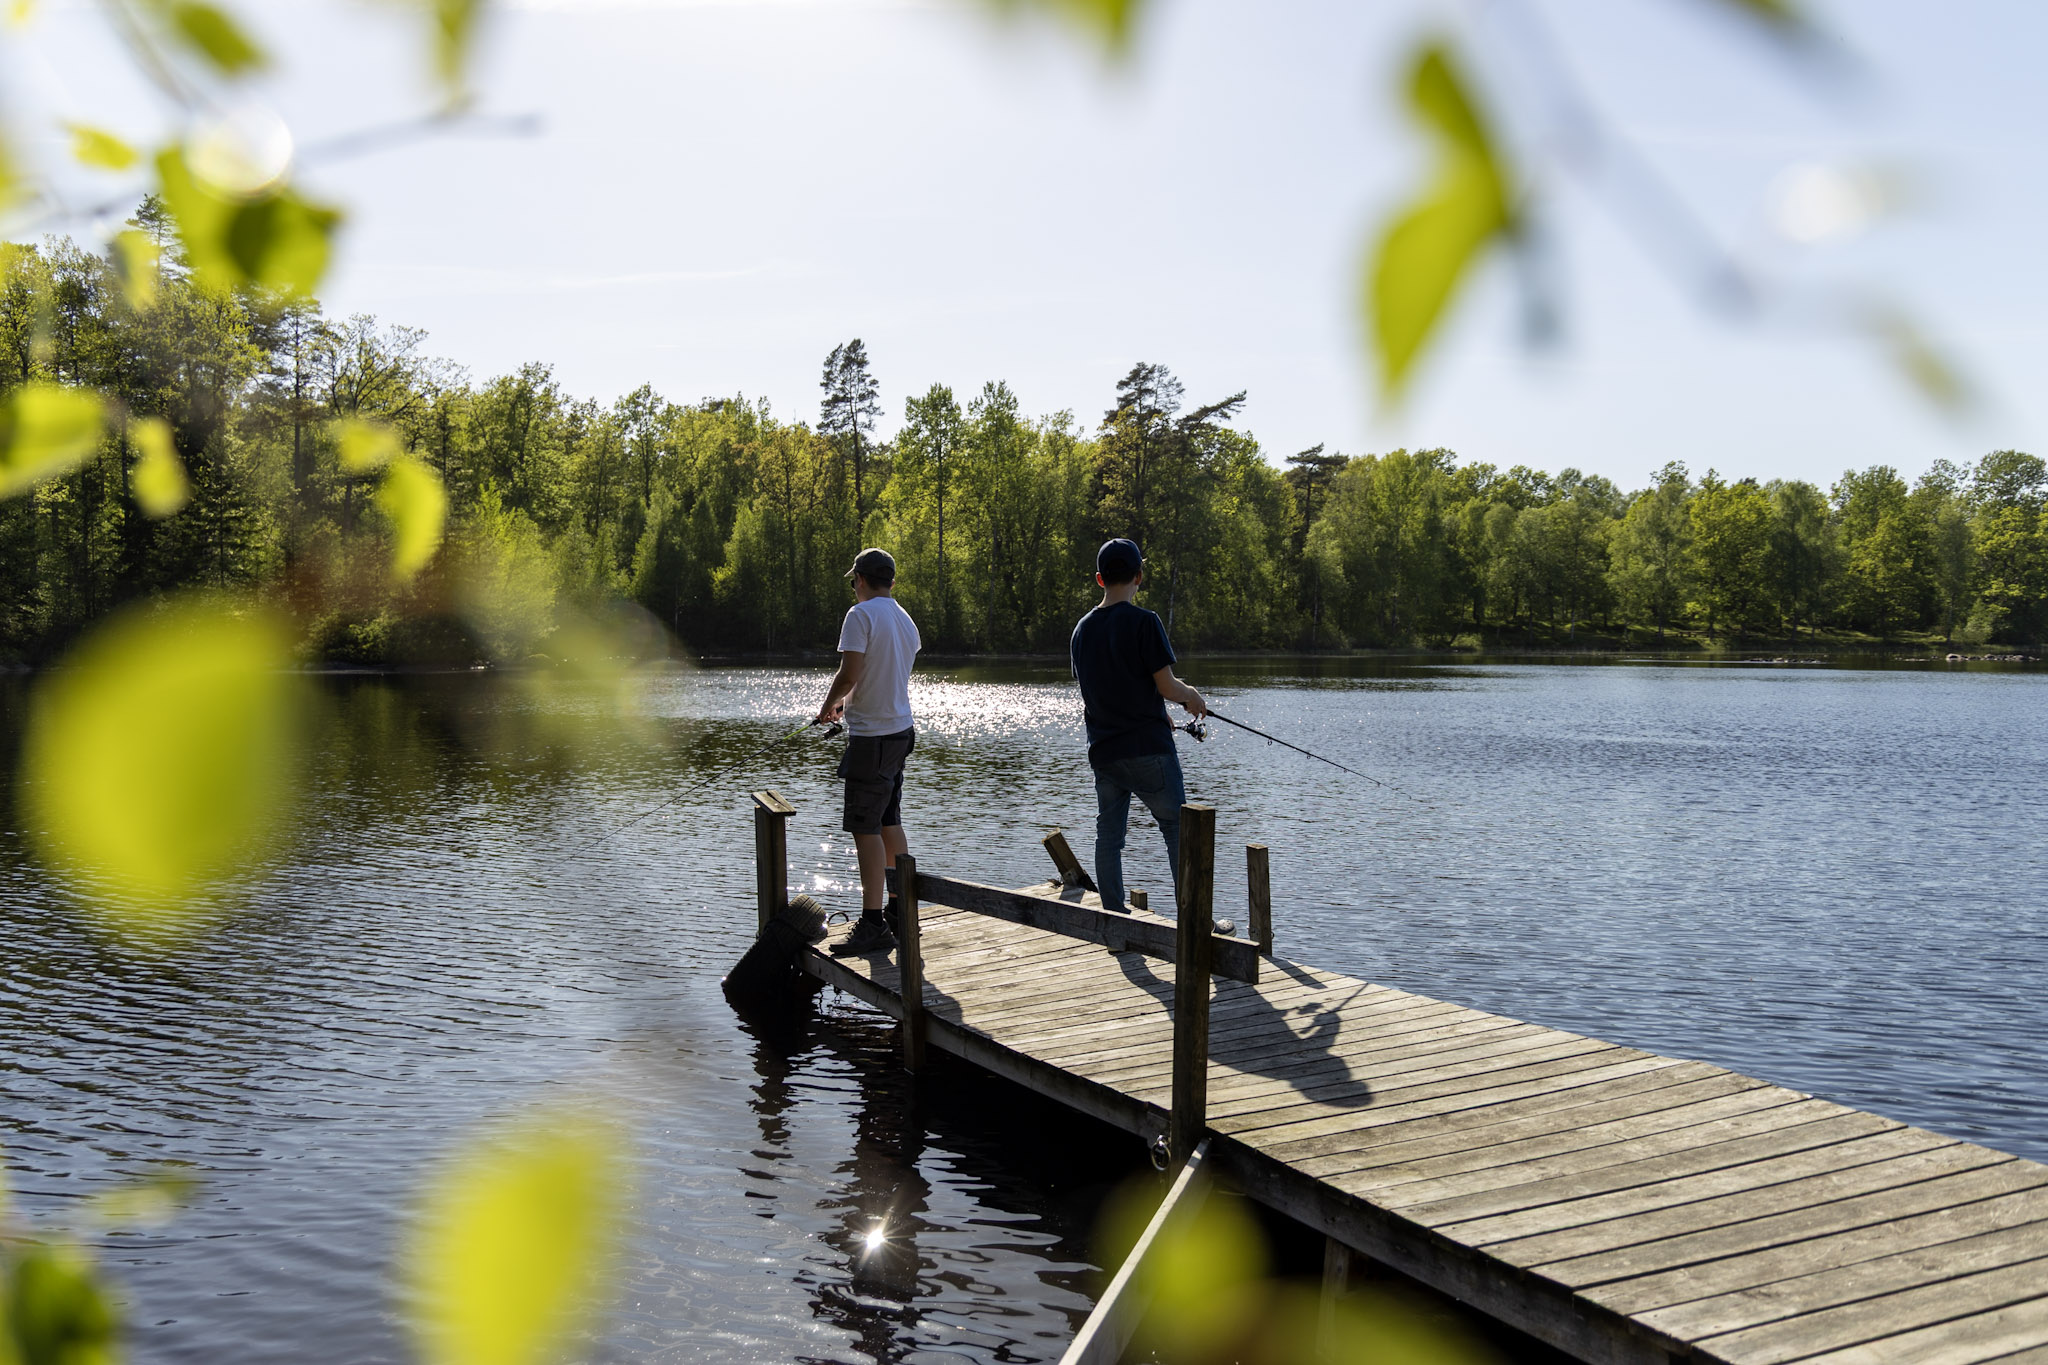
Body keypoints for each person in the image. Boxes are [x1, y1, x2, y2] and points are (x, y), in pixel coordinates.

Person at [1069, 538, 1206, 916]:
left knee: (1109, 837)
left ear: (1100, 579)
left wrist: (1157, 708)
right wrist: (1190, 696)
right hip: (1150, 751)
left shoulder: (1080, 631)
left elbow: (1102, 689)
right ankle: (1195, 924)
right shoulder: (1145, 621)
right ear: (1139, 577)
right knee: (1178, 832)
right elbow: (1166, 686)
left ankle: (1114, 920)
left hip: (1105, 752)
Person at [816, 547, 921, 956]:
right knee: (889, 819)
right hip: (899, 732)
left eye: (852, 581)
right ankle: (899, 911)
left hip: (873, 738)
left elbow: (851, 672)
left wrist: (829, 704)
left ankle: (874, 922)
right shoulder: (904, 619)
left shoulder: (859, 616)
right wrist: (849, 702)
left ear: (859, 579)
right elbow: (881, 673)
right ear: (890, 581)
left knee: (866, 827)